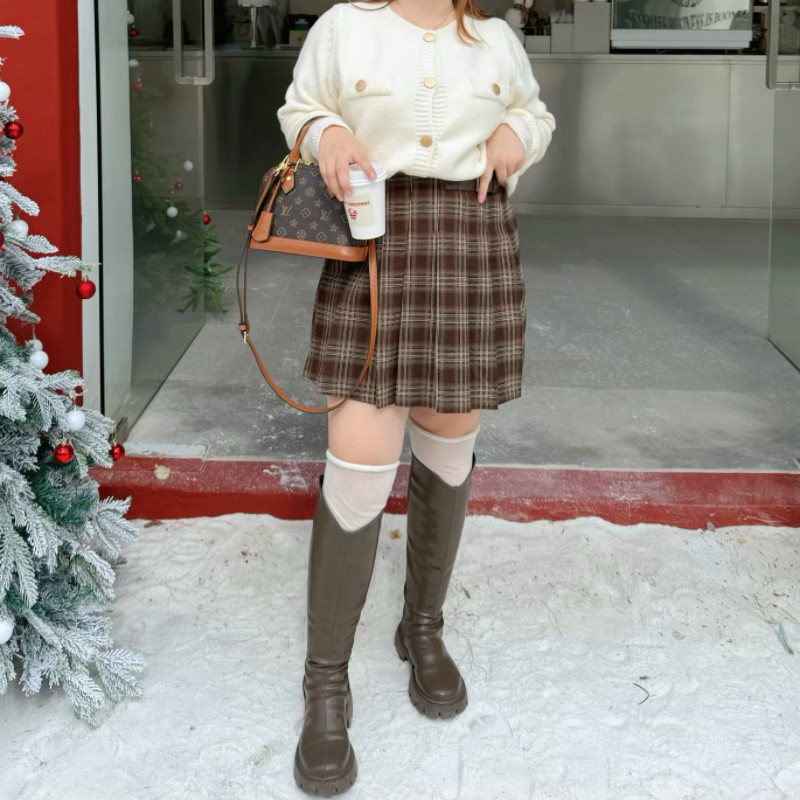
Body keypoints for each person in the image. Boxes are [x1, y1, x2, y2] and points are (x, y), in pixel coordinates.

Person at [277, 0, 555, 794]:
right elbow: (302, 108)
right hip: (373, 241)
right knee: (359, 461)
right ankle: (325, 681)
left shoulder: (495, 38)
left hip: (468, 245)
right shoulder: (344, 26)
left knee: (448, 444)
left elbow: (534, 113)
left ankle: (421, 628)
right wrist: (328, 133)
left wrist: (519, 135)